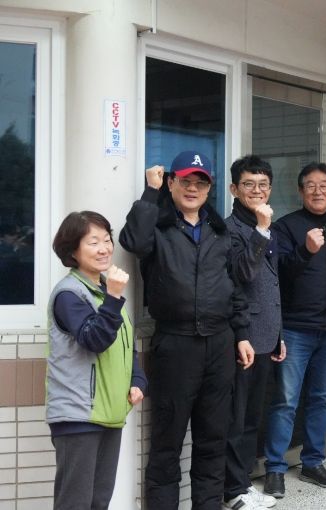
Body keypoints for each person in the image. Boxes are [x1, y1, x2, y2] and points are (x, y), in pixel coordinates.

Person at [119, 151, 252, 510]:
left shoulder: (220, 231)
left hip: (219, 343)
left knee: (213, 440)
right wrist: (151, 192)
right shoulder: (158, 226)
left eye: (200, 183)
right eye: (185, 181)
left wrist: (241, 334)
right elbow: (133, 242)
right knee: (168, 442)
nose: (193, 189)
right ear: (171, 183)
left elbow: (235, 288)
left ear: (209, 188)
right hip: (176, 344)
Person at [262, 162, 326, 499]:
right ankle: (275, 467)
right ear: (300, 191)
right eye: (310, 185)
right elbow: (277, 273)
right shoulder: (285, 227)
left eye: (324, 185)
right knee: (286, 401)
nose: (317, 191)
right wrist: (305, 251)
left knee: (321, 399)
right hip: (295, 329)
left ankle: (312, 463)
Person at [47, 211, 146, 510]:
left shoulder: (105, 290)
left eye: (106, 240)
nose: (104, 249)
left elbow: (125, 345)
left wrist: (137, 379)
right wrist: (113, 299)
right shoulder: (69, 294)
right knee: (75, 503)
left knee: (98, 501)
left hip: (109, 412)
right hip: (78, 414)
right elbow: (94, 339)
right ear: (73, 250)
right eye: (93, 242)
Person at [223, 155, 286, 510]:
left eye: (263, 185)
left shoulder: (267, 227)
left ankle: (243, 483)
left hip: (265, 335)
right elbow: (242, 276)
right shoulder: (230, 229)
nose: (257, 191)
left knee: (251, 418)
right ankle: (234, 489)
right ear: (234, 189)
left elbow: (272, 286)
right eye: (249, 184)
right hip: (242, 338)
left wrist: (279, 334)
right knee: (236, 418)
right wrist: (261, 229)